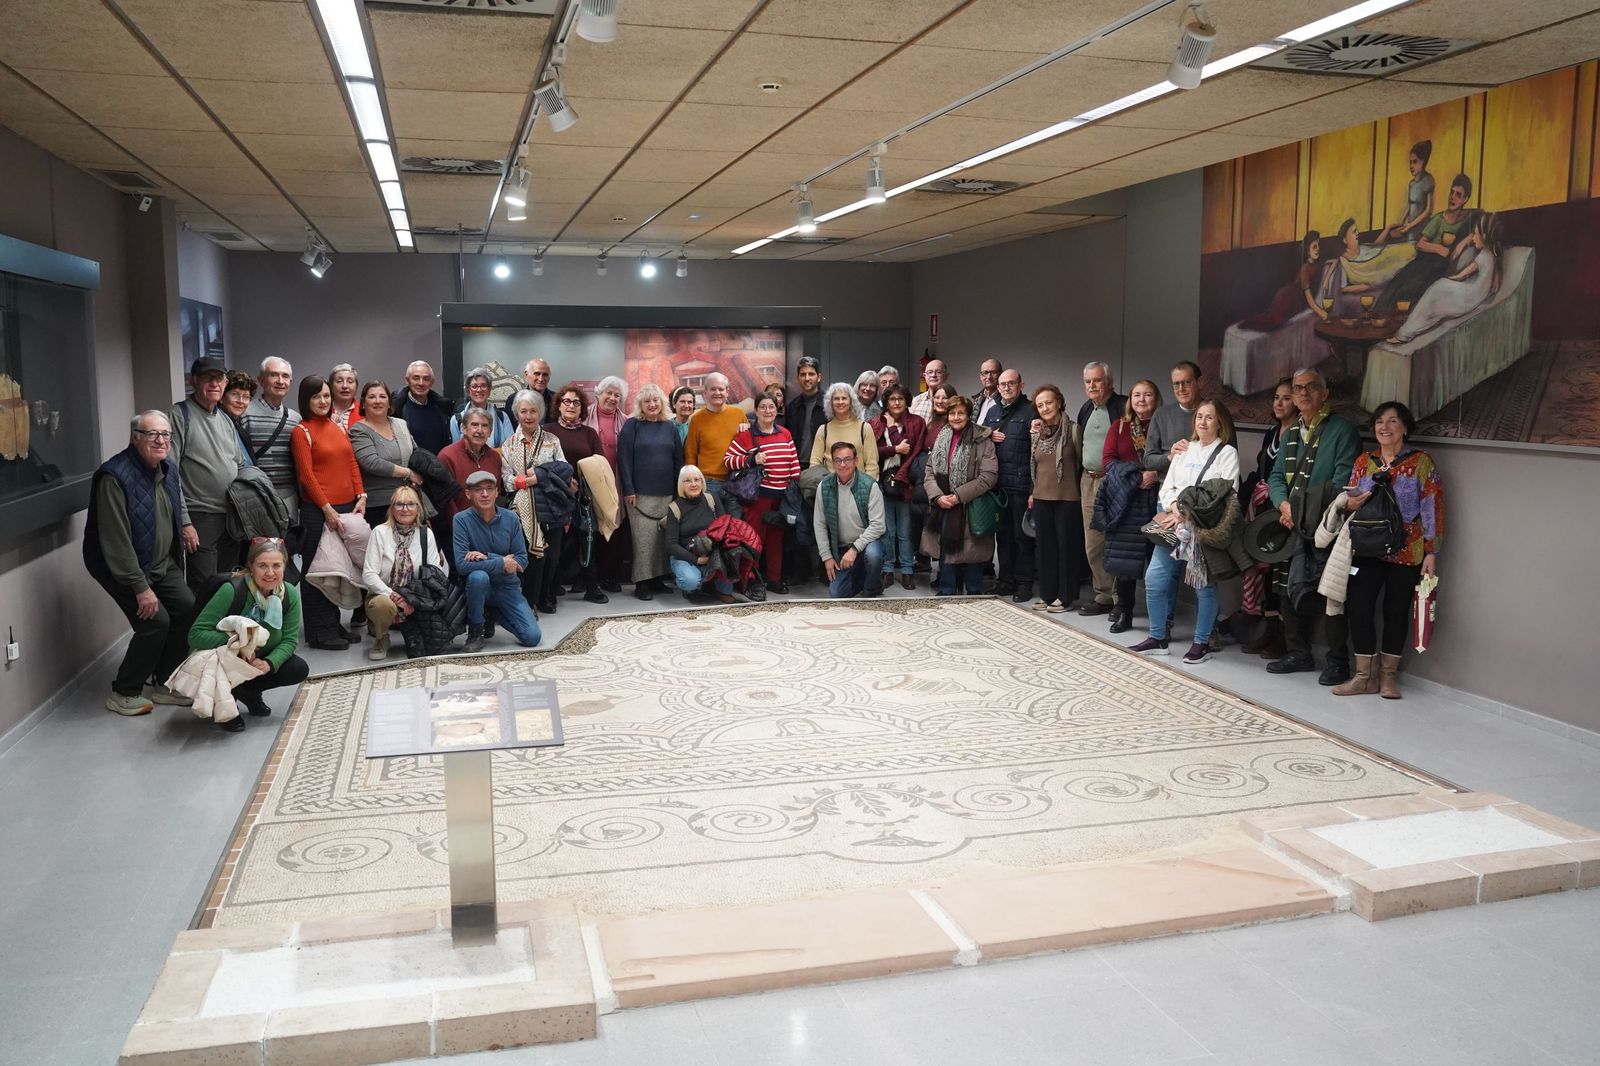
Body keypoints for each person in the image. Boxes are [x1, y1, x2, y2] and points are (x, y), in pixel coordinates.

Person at [83, 411, 197, 716]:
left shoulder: (167, 468)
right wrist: (140, 587)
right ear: (135, 438)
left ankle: (166, 683)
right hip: (121, 567)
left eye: (166, 435)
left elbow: (174, 503)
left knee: (187, 609)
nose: (161, 441)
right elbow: (115, 542)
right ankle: (124, 691)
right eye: (152, 435)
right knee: (154, 623)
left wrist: (185, 524)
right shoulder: (114, 476)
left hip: (160, 562)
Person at [1332, 402, 1444, 700]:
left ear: (1405, 427)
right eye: (1380, 422)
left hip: (1406, 551)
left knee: (1395, 612)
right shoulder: (1363, 462)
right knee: (1359, 608)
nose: (1385, 427)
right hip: (1367, 547)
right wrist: (1350, 503)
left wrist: (1431, 552)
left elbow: (1431, 508)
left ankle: (1388, 678)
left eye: (1392, 421)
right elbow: (1350, 500)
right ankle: (1363, 677)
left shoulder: (1421, 463)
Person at [1267, 367, 1361, 683]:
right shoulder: (1292, 432)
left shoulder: (1342, 430)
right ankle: (1299, 653)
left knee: (1332, 593)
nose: (1303, 393)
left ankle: (1337, 661)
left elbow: (1342, 480)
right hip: (1293, 524)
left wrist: (1301, 510)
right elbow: (1276, 477)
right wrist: (1284, 505)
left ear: (1325, 392)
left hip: (1329, 526)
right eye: (1298, 388)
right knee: (1289, 589)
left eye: (1311, 387)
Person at [1129, 401, 1241, 664]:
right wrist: (1174, 508)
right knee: (1155, 578)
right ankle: (1158, 637)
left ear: (1220, 423)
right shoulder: (1183, 450)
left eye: (1209, 418)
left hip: (1202, 529)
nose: (1202, 422)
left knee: (1204, 587)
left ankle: (1201, 642)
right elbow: (1166, 487)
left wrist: (1185, 512)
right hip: (1172, 524)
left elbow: (1224, 495)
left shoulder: (1226, 454)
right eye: (1199, 417)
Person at [187, 538, 307, 731]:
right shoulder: (232, 590)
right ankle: (225, 703)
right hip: (225, 660)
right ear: (251, 567)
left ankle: (249, 692)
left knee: (297, 668)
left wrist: (269, 663)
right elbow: (196, 635)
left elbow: (289, 640)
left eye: (276, 565)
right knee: (228, 668)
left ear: (285, 566)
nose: (270, 573)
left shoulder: (289, 594)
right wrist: (238, 640)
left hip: (257, 659)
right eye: (262, 566)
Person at [289, 374, 367, 650]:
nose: (322, 401)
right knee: (316, 572)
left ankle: (334, 625)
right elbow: (307, 477)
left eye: (325, 396)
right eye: (315, 397)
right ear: (305, 400)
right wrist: (327, 509)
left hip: (347, 508)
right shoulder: (302, 431)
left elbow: (352, 463)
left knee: (337, 570)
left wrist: (362, 495)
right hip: (318, 511)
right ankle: (319, 633)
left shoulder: (337, 426)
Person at [169, 359, 249, 594]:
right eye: (207, 378)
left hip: (231, 518)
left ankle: (224, 632)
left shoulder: (225, 419)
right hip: (200, 517)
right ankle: (200, 632)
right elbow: (169, 473)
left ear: (225, 383)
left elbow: (239, 463)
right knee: (204, 588)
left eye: (219, 379)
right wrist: (184, 522)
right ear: (192, 381)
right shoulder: (179, 415)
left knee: (228, 587)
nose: (214, 384)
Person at [1239, 378, 1297, 657]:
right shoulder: (1272, 432)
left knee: (1279, 574)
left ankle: (1284, 638)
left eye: (1286, 397)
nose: (1279, 402)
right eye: (1276, 397)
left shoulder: (1299, 433)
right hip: (1263, 508)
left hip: (1285, 510)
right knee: (1262, 569)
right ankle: (1266, 630)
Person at [453, 470, 541, 651]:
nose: (485, 494)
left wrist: (487, 557)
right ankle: (476, 630)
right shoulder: (460, 520)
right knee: (478, 577)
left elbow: (522, 560)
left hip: (507, 587)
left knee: (532, 637)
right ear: (468, 494)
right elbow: (462, 565)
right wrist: (502, 563)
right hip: (478, 589)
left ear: (497, 491)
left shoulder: (511, 518)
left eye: (489, 489)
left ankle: (494, 612)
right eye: (478, 490)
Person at [1100, 379, 1162, 632]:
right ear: (1130, 400)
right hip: (1126, 501)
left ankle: (1161, 619)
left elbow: (1176, 458)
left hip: (1159, 499)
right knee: (1125, 563)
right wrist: (1137, 477)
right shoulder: (1119, 427)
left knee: (1157, 560)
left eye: (1147, 395)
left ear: (1156, 399)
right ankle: (1125, 612)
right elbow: (1108, 461)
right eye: (1136, 395)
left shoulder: (1163, 425)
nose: (1141, 400)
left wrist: (1155, 475)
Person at [361, 485, 450, 661]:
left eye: (410, 504)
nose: (405, 509)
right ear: (391, 508)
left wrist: (413, 600)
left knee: (428, 650)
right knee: (382, 606)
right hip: (385, 594)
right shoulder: (379, 532)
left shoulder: (426, 534)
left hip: (417, 597)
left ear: (418, 508)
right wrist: (396, 597)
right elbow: (369, 574)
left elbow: (435, 573)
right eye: (399, 504)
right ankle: (381, 637)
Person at [921, 394, 998, 595]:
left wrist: (957, 497)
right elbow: (929, 470)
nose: (956, 417)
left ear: (968, 414)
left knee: (971, 552)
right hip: (943, 504)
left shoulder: (982, 440)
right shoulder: (942, 436)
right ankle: (946, 591)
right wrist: (938, 497)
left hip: (970, 504)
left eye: (960, 413)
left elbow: (988, 477)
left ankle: (973, 593)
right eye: (952, 413)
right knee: (946, 549)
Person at [726, 393, 800, 595]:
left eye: (772, 407)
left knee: (777, 540)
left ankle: (774, 579)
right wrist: (751, 460)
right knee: (754, 540)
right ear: (756, 411)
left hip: (782, 497)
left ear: (777, 410)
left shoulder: (785, 433)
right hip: (757, 498)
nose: (768, 411)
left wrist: (794, 486)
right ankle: (751, 579)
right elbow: (728, 460)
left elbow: (793, 462)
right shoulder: (746, 435)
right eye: (763, 407)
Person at [501, 390, 568, 614]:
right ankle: (528, 601)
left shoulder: (552, 440)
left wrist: (539, 475)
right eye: (523, 411)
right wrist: (526, 482)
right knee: (530, 556)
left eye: (533, 411)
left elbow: (565, 469)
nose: (528, 416)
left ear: (540, 413)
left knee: (553, 556)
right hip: (521, 510)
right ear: (516, 414)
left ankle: (547, 595)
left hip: (551, 506)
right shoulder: (508, 444)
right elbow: (506, 480)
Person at [1390, 211, 1502, 343]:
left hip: (1471, 296)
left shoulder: (1483, 256)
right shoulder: (1491, 256)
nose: (1472, 238)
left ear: (1484, 236)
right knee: (1437, 294)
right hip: (1476, 295)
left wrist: (1450, 280)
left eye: (1476, 235)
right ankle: (1408, 330)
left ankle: (1405, 333)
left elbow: (1463, 274)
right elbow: (1493, 286)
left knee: (1437, 288)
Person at [546, 384, 610, 604]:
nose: (571, 406)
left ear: (582, 407)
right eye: (566, 401)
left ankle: (592, 588)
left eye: (576, 402)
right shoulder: (548, 431)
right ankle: (551, 590)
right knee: (555, 548)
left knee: (587, 543)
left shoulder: (589, 433)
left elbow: (599, 462)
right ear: (559, 405)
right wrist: (564, 482)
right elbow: (543, 465)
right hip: (555, 498)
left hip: (583, 498)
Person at [618, 384, 683, 600]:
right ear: (641, 405)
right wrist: (628, 488)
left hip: (666, 494)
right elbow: (624, 459)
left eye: (656, 400)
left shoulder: (670, 427)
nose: (652, 404)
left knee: (660, 541)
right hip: (638, 495)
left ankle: (657, 579)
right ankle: (642, 583)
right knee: (643, 542)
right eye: (647, 401)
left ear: (662, 403)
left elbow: (678, 461)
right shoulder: (632, 425)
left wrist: (677, 491)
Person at [1378, 174, 1477, 310]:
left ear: (1465, 199)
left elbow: (1482, 228)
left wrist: (1462, 243)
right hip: (1425, 261)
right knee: (1397, 285)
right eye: (1452, 192)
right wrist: (1439, 248)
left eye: (1458, 195)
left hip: (1441, 267)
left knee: (1415, 290)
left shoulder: (1470, 218)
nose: (1452, 197)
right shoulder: (1439, 218)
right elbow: (1420, 244)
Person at [1074, 361, 1126, 615]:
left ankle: (1120, 599)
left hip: (1114, 481)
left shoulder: (1122, 407)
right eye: (1088, 381)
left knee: (1116, 539)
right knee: (1093, 542)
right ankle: (1103, 594)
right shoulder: (1086, 409)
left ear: (1110, 382)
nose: (1092, 385)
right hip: (1088, 479)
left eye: (1097, 380)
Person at [983, 368, 1037, 603]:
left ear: (1021, 385)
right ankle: (1005, 581)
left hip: (1022, 486)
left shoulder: (1032, 411)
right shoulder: (993, 412)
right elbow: (977, 436)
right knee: (1002, 537)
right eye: (1002, 384)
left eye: (1011, 383)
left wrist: (1034, 489)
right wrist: (987, 434)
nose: (1006, 387)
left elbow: (1038, 452)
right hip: (998, 487)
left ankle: (1024, 583)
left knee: (1022, 537)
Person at [1028, 385, 1082, 614]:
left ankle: (1065, 596)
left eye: (1048, 402)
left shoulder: (1074, 430)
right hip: (1041, 497)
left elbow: (1082, 464)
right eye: (1040, 405)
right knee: (1045, 549)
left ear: (1059, 402)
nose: (1045, 408)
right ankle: (1048, 594)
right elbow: (1035, 466)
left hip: (1067, 499)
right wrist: (1032, 492)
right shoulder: (1037, 433)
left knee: (1066, 549)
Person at [871, 383, 927, 591]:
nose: (896, 403)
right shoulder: (876, 422)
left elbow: (917, 450)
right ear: (885, 402)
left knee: (905, 530)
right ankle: (887, 569)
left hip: (906, 482)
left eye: (900, 399)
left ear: (907, 401)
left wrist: (904, 471)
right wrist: (894, 448)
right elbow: (872, 451)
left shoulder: (917, 422)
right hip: (882, 481)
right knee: (887, 530)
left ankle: (907, 571)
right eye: (892, 399)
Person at [813, 441, 886, 598]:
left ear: (856, 461)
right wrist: (827, 557)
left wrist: (854, 549)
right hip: (841, 550)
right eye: (838, 460)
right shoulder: (824, 486)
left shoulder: (870, 486)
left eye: (847, 459)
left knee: (874, 556)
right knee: (836, 594)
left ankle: (870, 589)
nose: (843, 464)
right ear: (833, 463)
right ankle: (866, 578)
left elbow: (878, 526)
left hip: (866, 544)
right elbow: (819, 524)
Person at [349, 379, 422, 530]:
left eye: (382, 396)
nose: (377, 401)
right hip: (379, 505)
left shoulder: (400, 424)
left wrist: (417, 476)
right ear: (363, 403)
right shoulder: (359, 430)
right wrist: (409, 473)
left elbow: (415, 452)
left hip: (408, 499)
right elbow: (372, 463)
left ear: (389, 402)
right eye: (372, 397)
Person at [663, 465, 736, 603]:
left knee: (733, 553)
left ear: (702, 482)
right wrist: (696, 560)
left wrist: (716, 554)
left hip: (713, 553)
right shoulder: (674, 507)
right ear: (681, 484)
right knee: (690, 580)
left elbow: (725, 527)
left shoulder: (712, 499)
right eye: (688, 481)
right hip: (687, 556)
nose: (693, 484)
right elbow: (671, 544)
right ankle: (692, 588)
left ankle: (719, 588)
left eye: (697, 480)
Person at [585, 375, 630, 592]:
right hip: (591, 482)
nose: (612, 398)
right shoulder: (584, 417)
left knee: (613, 528)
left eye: (617, 395)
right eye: (608, 393)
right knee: (591, 528)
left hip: (616, 481)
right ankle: (588, 577)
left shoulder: (627, 422)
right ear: (598, 394)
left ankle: (610, 575)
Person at [240, 356, 301, 518]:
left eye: (285, 376)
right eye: (274, 375)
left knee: (289, 542)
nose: (280, 381)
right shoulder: (245, 414)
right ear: (260, 380)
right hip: (256, 496)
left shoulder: (296, 419)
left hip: (289, 497)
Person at [683, 373, 748, 514]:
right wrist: (693, 482)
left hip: (735, 481)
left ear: (727, 392)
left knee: (735, 528)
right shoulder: (696, 419)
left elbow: (749, 447)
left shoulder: (739, 414)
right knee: (711, 529)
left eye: (721, 389)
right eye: (713, 389)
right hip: (709, 483)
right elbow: (690, 453)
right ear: (705, 392)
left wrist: (748, 431)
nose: (717, 393)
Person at [439, 407, 503, 521]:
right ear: (463, 428)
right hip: (459, 528)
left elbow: (495, 493)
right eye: (474, 425)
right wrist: (459, 528)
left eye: (484, 426)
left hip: (489, 525)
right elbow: (447, 502)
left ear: (490, 431)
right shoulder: (447, 456)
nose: (479, 430)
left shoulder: (495, 457)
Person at [808, 382, 879, 479]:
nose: (840, 402)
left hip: (859, 489)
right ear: (831, 403)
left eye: (844, 398)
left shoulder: (865, 428)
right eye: (836, 398)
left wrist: (867, 489)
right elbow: (815, 463)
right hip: (830, 488)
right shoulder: (823, 430)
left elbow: (872, 465)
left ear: (851, 402)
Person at [1376, 140, 1435, 244]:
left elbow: (1428, 211)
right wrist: (1401, 222)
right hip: (1409, 226)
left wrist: (1410, 226)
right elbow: (1409, 205)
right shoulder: (1411, 184)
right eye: (1410, 162)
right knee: (1389, 235)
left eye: (1415, 161)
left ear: (1423, 161)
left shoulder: (1429, 180)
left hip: (1421, 227)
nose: (1411, 166)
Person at [397, 360, 452, 455]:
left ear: (432, 382)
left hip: (439, 466)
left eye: (426, 379)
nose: (421, 383)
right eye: (416, 378)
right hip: (411, 468)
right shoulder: (397, 409)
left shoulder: (441, 407)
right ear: (407, 380)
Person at [450, 366, 513, 447]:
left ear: (489, 390)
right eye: (474, 386)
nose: (479, 390)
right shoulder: (457, 420)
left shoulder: (502, 417)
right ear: (468, 391)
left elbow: (511, 449)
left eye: (483, 385)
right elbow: (456, 452)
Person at [784, 356, 826, 459]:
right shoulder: (792, 407)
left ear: (819, 377)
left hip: (821, 467)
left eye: (811, 374)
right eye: (803, 374)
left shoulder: (829, 404)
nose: (807, 378)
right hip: (796, 465)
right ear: (797, 378)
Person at [502, 358, 555, 426]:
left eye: (545, 375)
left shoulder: (556, 400)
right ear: (526, 375)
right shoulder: (513, 399)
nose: (541, 379)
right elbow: (509, 427)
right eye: (537, 374)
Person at [328, 363, 362, 431]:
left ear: (356, 386)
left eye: (350, 381)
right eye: (339, 381)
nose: (345, 386)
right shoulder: (322, 411)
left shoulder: (364, 412)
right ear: (331, 386)